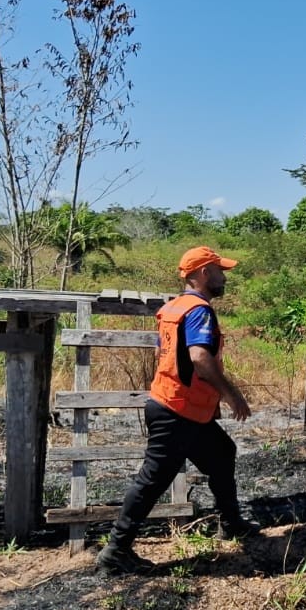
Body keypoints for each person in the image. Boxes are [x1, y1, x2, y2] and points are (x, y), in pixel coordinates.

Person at [97, 246, 262, 574]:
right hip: (177, 411)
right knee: (152, 479)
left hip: (180, 407)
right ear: (203, 273)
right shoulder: (199, 310)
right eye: (219, 270)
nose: (223, 276)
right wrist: (231, 395)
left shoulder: (175, 307)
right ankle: (115, 551)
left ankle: (231, 523)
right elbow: (199, 359)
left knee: (222, 452)